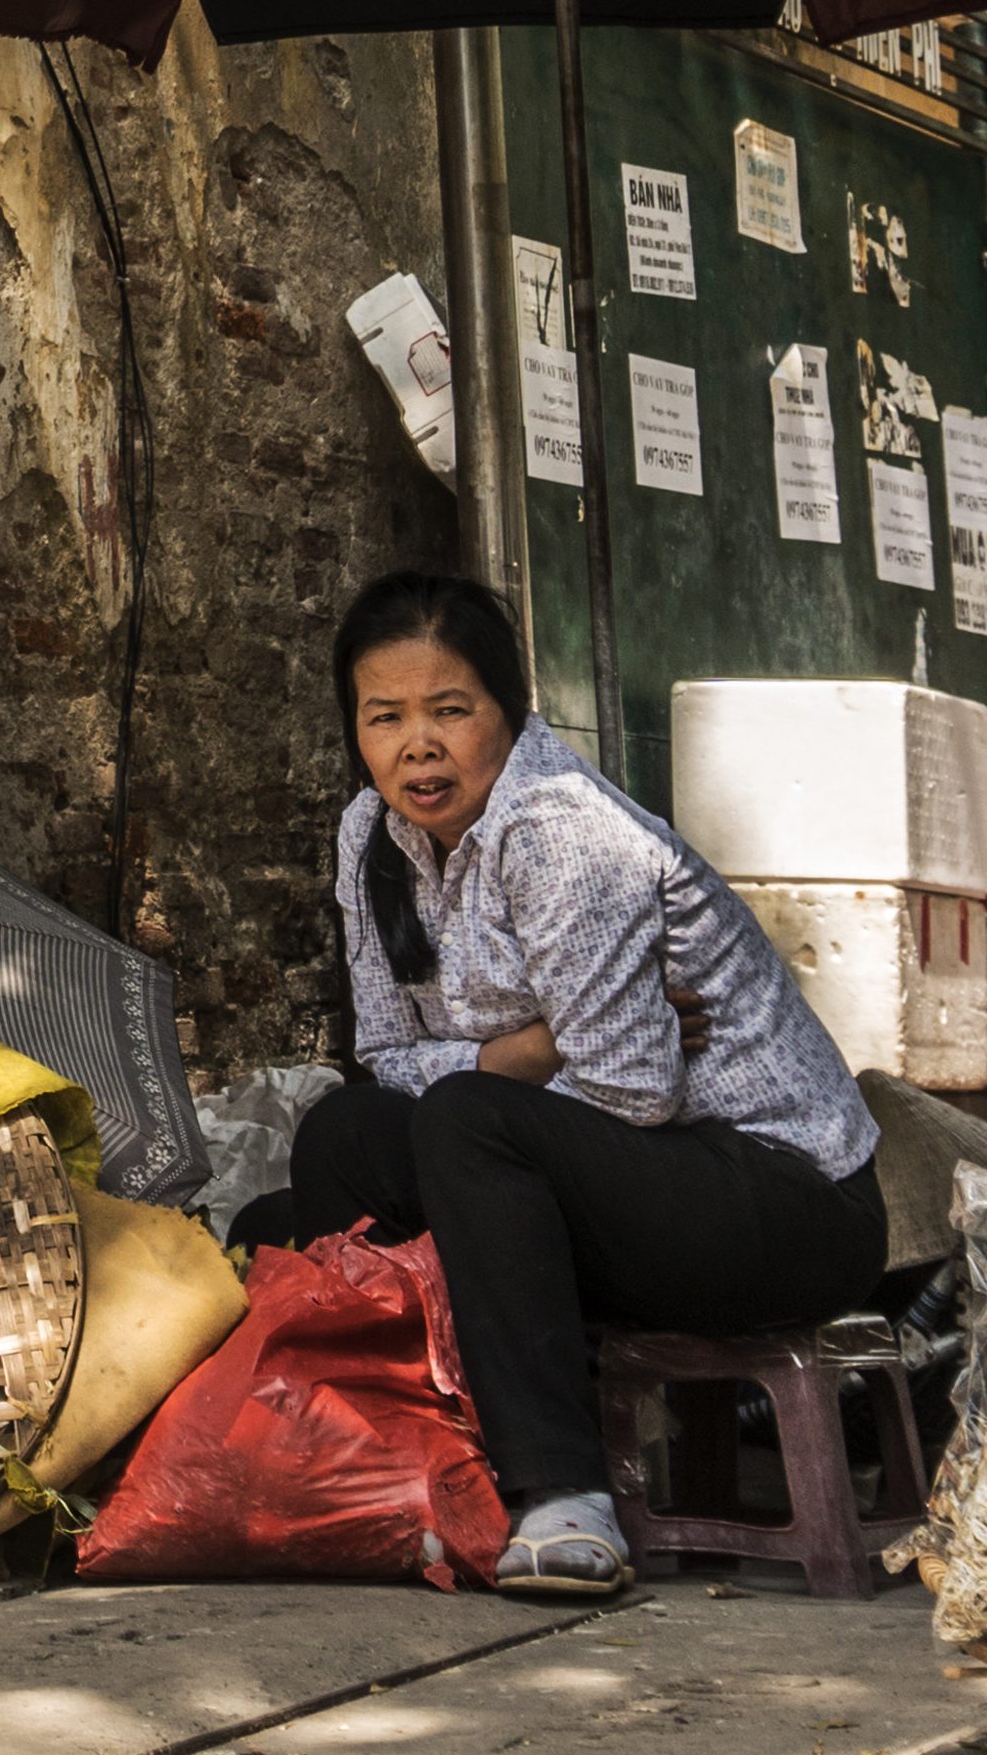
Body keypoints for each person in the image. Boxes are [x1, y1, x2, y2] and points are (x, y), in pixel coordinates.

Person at [233, 573, 890, 1601]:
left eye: (451, 710)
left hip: (780, 1200)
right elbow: (385, 1058)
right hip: (623, 1173)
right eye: (385, 716)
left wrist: (487, 1089)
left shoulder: (561, 829)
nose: (419, 745)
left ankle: (559, 1495)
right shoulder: (371, 838)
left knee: (464, 1126)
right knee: (342, 1137)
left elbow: (632, 1091)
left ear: (510, 711)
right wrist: (535, 1048)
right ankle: (394, 1465)